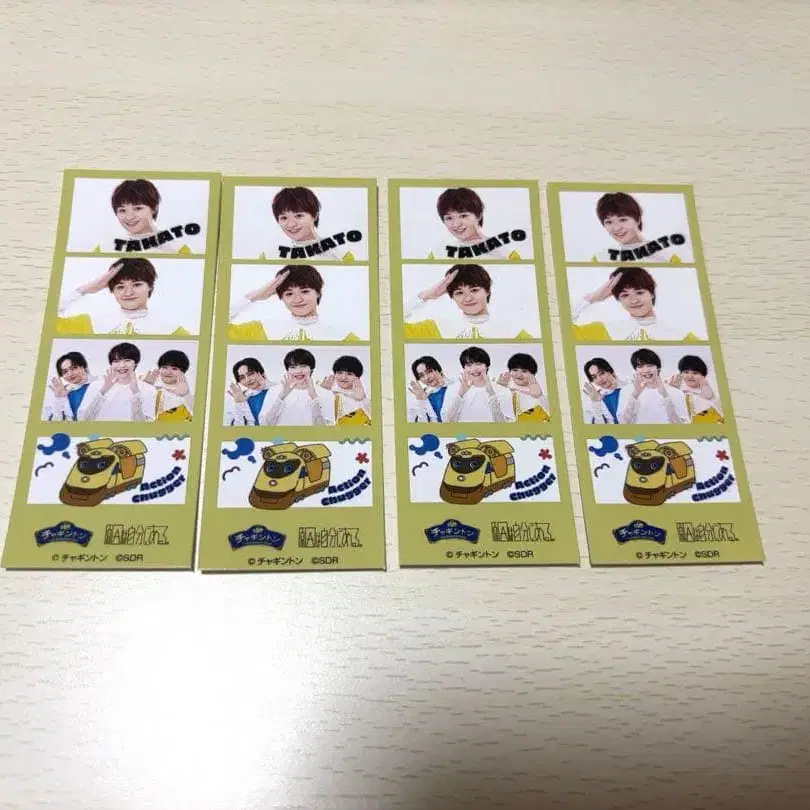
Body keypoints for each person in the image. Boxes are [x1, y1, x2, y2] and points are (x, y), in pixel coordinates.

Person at [56, 258, 189, 336]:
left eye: (137, 284)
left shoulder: (171, 331)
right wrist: (83, 290)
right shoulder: (90, 324)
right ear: (112, 290)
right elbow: (48, 323)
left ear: (150, 286)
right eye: (120, 287)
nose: (128, 293)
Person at [228, 265, 360, 342]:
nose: (297, 299)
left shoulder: (341, 336)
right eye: (289, 293)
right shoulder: (263, 330)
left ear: (318, 293)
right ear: (281, 297)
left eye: (305, 291)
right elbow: (218, 329)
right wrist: (254, 296)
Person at [404, 264, 535, 339]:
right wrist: (426, 295)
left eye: (474, 290)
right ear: (452, 297)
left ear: (487, 291)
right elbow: (393, 330)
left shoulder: (511, 333)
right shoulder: (437, 328)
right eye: (459, 293)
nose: (468, 298)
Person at [571, 266, 700, 341]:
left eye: (639, 292)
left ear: (652, 293)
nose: (634, 300)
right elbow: (562, 333)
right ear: (618, 299)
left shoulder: (681, 337)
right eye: (625, 295)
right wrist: (591, 298)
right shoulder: (603, 331)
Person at [94, 179, 194, 255]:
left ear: (153, 208)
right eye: (122, 210)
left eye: (137, 208)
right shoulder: (104, 248)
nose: (129, 217)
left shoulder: (176, 248)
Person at [259, 186, 356, 261]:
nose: (291, 224)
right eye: (284, 218)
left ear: (315, 216)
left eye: (298, 216)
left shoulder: (339, 253)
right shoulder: (269, 255)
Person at [427, 188, 522, 260]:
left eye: (463, 216)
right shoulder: (438, 252)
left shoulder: (504, 252)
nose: (456, 224)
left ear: (479, 215)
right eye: (449, 218)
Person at [590, 192, 685, 263]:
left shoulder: (665, 254)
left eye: (623, 220)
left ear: (638, 219)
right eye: (609, 222)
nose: (616, 228)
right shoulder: (600, 258)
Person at [77, 342, 156, 422]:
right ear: (111, 364)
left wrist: (135, 392)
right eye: (116, 361)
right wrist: (103, 391)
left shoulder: (148, 389)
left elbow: (144, 427)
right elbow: (83, 420)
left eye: (127, 360)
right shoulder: (95, 386)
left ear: (135, 363)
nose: (122, 365)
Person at [253, 349, 333, 426]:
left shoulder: (325, 393)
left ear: (311, 369)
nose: (298, 371)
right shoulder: (274, 391)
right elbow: (265, 425)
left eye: (303, 366)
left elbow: (326, 430)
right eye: (293, 367)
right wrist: (282, 396)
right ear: (287, 370)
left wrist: (314, 397)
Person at [441, 346, 512, 423]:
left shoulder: (502, 391)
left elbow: (504, 426)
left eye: (478, 364)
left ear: (487, 366)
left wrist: (491, 394)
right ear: (464, 368)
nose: (474, 369)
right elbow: (447, 422)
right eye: (469, 365)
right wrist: (460, 394)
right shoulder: (452, 389)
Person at [617, 348, 688, 424]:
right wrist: (635, 395)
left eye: (650, 365)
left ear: (658, 368)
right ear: (636, 370)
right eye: (640, 366)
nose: (646, 370)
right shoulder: (626, 390)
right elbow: (623, 423)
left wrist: (665, 396)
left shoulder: (676, 392)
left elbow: (681, 426)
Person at [140, 349, 194, 422]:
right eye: (164, 367)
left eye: (174, 368)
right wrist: (143, 391)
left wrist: (186, 395)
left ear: (183, 371)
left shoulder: (189, 395)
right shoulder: (150, 389)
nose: (168, 372)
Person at [668, 355, 724, 423]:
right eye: (686, 372)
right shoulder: (680, 387)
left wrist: (704, 385)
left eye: (695, 373)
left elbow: (708, 395)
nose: (690, 376)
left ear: (703, 376)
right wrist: (674, 390)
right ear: (681, 373)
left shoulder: (705, 387)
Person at [320, 355, 372, 425]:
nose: (343, 377)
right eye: (339, 373)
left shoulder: (362, 396)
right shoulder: (331, 394)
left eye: (349, 374)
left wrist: (363, 399)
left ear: (357, 377)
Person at [497, 353, 550, 422]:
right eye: (515, 370)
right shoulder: (507, 392)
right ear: (510, 371)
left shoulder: (540, 392)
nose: (519, 375)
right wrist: (501, 388)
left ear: (532, 373)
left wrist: (540, 397)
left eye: (524, 371)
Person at [42, 351, 93, 421]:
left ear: (83, 367)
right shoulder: (63, 393)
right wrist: (58, 399)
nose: (70, 374)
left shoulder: (96, 386)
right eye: (65, 372)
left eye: (74, 368)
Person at [225, 357, 273, 426]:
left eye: (250, 374)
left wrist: (268, 385)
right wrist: (239, 403)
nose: (248, 380)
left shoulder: (274, 390)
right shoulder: (240, 397)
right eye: (242, 377)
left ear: (261, 372)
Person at [407, 356, 450, 422]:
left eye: (429, 372)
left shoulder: (453, 387)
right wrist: (421, 400)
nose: (426, 377)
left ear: (438, 369)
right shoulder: (422, 395)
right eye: (421, 376)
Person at [581, 357, 623, 424]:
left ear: (610, 371)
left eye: (602, 373)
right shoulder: (595, 398)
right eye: (594, 377)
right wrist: (596, 402)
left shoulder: (628, 389)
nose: (599, 379)